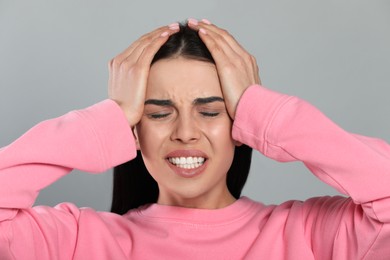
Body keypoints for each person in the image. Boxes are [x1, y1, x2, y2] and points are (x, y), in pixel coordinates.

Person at [0, 18, 389, 259]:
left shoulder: (311, 235)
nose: (185, 132)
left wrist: (266, 114)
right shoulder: (74, 241)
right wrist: (108, 118)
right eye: (157, 113)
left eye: (209, 111)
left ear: (240, 124)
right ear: (134, 130)